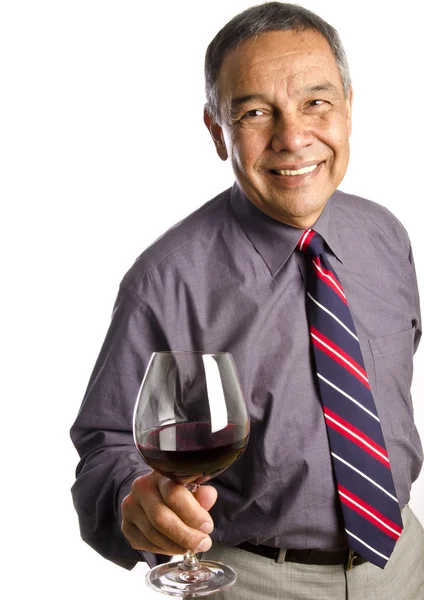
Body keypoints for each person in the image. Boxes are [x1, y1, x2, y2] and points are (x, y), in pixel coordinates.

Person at [70, 2, 424, 598]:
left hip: (404, 560)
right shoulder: (165, 278)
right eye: (256, 112)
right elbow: (107, 450)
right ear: (217, 132)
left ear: (348, 108)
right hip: (250, 579)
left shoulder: (386, 235)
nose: (293, 138)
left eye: (316, 102)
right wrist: (138, 502)